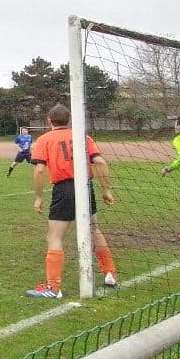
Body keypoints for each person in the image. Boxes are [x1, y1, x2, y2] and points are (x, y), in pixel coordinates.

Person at [26, 104, 118, 298]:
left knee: (55, 236)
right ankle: (110, 273)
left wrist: (38, 197)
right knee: (93, 229)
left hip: (64, 189)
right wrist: (107, 190)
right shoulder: (83, 137)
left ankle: (53, 288)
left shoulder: (44, 139)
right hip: (86, 186)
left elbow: (40, 169)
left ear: (49, 120)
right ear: (68, 120)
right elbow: (100, 162)